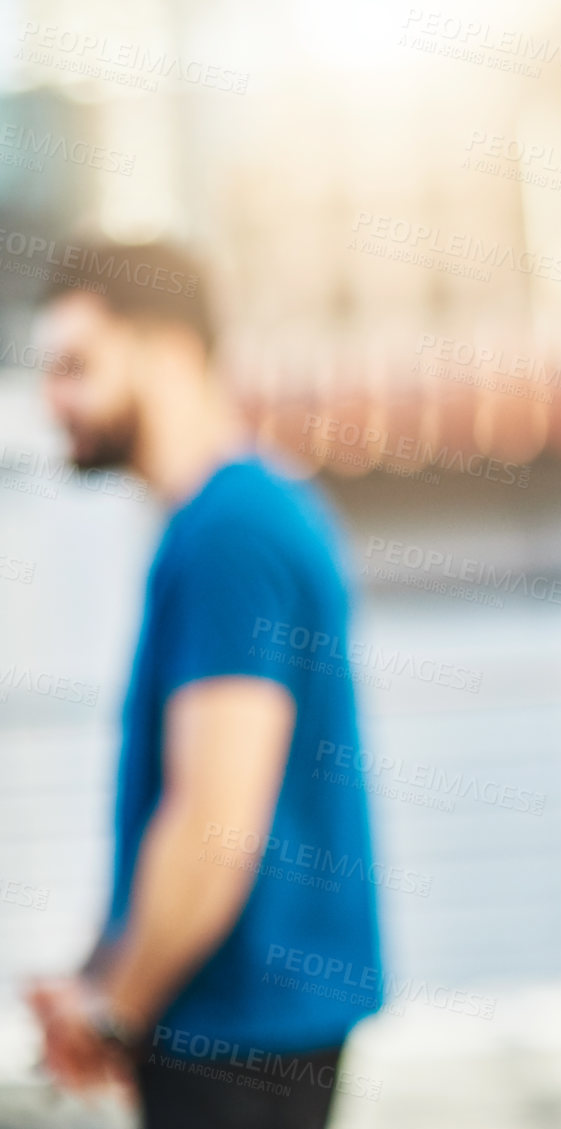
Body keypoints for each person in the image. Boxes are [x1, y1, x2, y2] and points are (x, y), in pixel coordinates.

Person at [23, 241, 383, 1129]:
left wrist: (114, 1011)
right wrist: (97, 975)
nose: (51, 399)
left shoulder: (229, 531)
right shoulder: (239, 514)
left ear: (169, 353)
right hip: (253, 1023)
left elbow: (213, 822)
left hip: (234, 1039)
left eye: (75, 365)